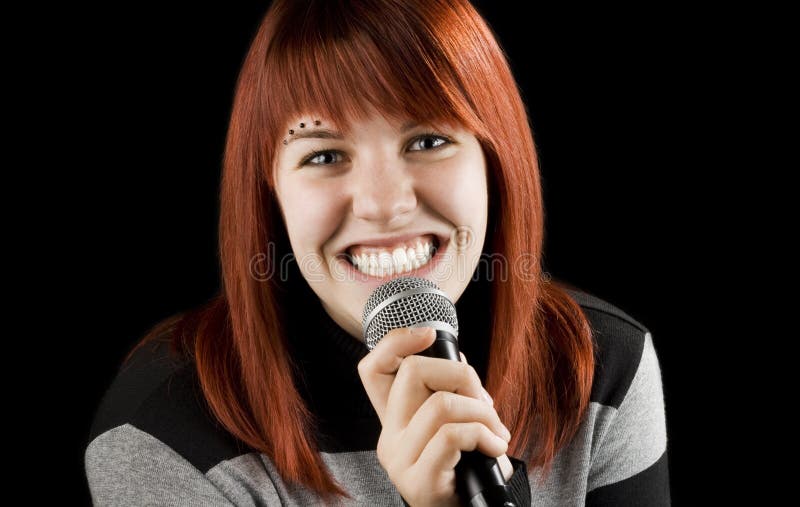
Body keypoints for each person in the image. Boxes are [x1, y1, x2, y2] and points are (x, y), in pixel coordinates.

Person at [85, 0, 670, 505]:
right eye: (323, 155)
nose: (385, 205)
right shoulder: (164, 434)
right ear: (268, 193)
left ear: (496, 163)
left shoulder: (600, 368)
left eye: (429, 140)